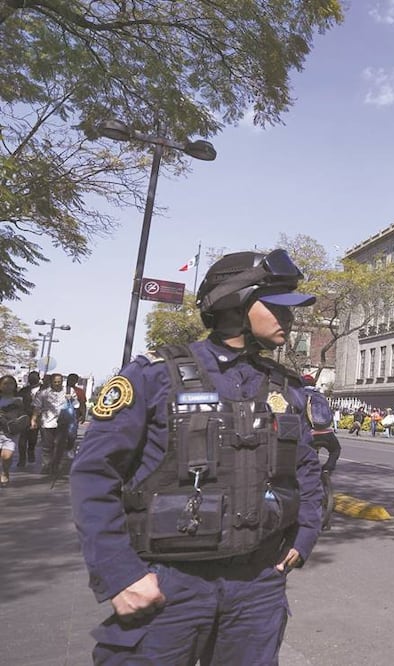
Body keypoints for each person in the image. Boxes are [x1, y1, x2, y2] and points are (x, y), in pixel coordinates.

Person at [69, 248, 323, 664]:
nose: (289, 318)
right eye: (276, 306)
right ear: (234, 304)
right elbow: (94, 476)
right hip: (168, 584)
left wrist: (306, 532)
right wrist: (120, 575)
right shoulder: (154, 376)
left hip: (257, 585)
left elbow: (306, 469)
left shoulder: (286, 387)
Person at [32, 372, 74, 475]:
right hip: (47, 422)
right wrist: (33, 419)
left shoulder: (69, 391)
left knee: (60, 445)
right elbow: (37, 407)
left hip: (63, 423)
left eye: (59, 382)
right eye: (55, 382)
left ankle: (56, 465)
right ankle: (46, 466)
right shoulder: (43, 393)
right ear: (51, 382)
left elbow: (76, 405)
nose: (57, 384)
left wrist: (71, 400)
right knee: (47, 446)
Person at [302, 374, 341, 474]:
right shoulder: (321, 395)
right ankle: (327, 468)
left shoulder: (300, 395)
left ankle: (307, 473)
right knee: (335, 449)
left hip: (310, 433)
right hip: (326, 432)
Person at [0, 375, 28, 486]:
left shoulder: (18, 400)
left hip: (10, 432)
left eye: (11, 383)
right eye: (5, 384)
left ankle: (5, 472)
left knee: (7, 456)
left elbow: (22, 415)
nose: (8, 386)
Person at [16, 370, 40, 467]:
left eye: (34, 377)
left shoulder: (43, 390)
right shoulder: (23, 390)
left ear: (38, 378)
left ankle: (31, 451)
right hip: (24, 416)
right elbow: (17, 402)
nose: (32, 379)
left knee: (33, 438)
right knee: (22, 438)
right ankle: (22, 459)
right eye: (30, 378)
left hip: (37, 416)